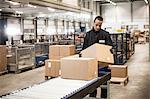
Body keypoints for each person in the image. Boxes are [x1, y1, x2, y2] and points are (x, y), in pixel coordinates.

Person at [82, 16, 113, 98]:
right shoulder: (88, 35)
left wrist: (109, 61)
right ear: (93, 23)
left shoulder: (105, 34)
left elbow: (110, 48)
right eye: (97, 25)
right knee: (92, 86)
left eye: (100, 25)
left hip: (103, 65)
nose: (98, 27)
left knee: (104, 86)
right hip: (92, 64)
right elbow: (84, 49)